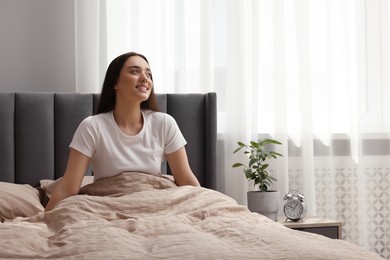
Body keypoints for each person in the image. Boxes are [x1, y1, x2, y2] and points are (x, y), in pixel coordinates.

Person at [45, 52, 200, 211]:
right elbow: (69, 187)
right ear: (115, 83)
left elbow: (185, 179)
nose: (145, 78)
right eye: (134, 71)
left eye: (148, 74)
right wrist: (42, 219)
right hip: (107, 205)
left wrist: (205, 203)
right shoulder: (92, 127)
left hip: (156, 203)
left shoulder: (165, 123)